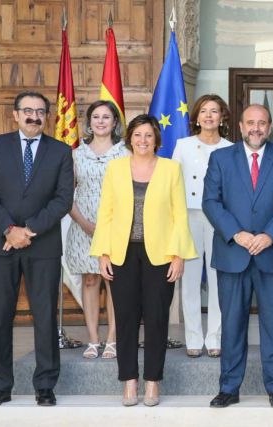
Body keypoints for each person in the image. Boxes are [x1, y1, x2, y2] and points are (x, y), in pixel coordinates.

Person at [90, 114, 197, 407]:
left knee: (157, 319)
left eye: (148, 135)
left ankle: (152, 382)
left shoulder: (171, 169)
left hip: (160, 255)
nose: (143, 141)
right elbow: (106, 212)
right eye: (138, 135)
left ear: (156, 139)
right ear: (130, 138)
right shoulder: (115, 168)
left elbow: (179, 214)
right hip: (122, 254)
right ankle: (129, 382)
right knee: (125, 320)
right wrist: (103, 253)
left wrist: (178, 255)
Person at [0, 91, 74, 407]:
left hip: (42, 244)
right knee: (0, 315)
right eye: (28, 110)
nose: (34, 116)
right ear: (15, 115)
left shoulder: (60, 151)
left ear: (47, 116)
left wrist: (28, 230)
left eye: (40, 111)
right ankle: (0, 385)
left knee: (45, 316)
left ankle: (45, 385)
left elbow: (62, 199)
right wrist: (9, 229)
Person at [203, 104, 273, 409]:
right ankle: (229, 388)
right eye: (250, 123)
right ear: (241, 127)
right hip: (234, 253)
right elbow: (211, 202)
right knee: (232, 325)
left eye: (262, 123)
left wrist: (269, 235)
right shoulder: (220, 158)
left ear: (270, 127)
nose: (256, 128)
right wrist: (238, 234)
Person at [172, 94, 233, 358]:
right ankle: (193, 338)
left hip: (220, 217)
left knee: (219, 278)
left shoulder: (231, 148)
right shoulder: (183, 145)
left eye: (214, 111)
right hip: (189, 215)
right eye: (204, 111)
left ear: (222, 117)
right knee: (191, 279)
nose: (209, 116)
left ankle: (215, 336)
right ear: (196, 117)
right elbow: (173, 184)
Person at [66, 100, 128, 360]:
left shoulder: (126, 152)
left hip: (117, 226)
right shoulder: (76, 153)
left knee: (114, 281)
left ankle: (112, 340)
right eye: (96, 117)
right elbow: (65, 192)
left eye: (106, 117)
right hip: (83, 225)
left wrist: (113, 225)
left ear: (115, 123)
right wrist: (83, 223)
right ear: (89, 122)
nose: (101, 121)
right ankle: (93, 339)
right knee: (90, 280)